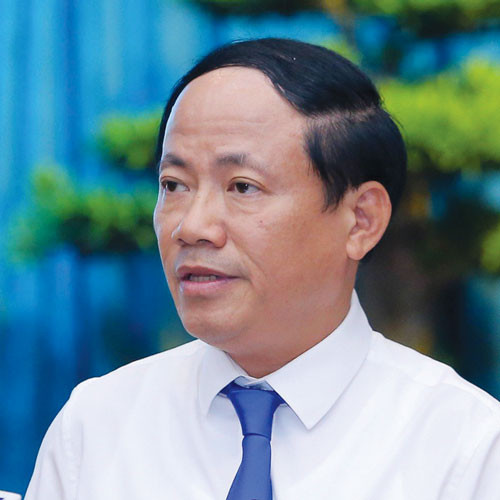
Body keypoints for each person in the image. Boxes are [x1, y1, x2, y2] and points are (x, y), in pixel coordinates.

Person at [26, 38, 500, 500]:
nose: (192, 227)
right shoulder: (95, 428)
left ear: (361, 220)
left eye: (242, 187)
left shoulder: (466, 449)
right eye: (174, 185)